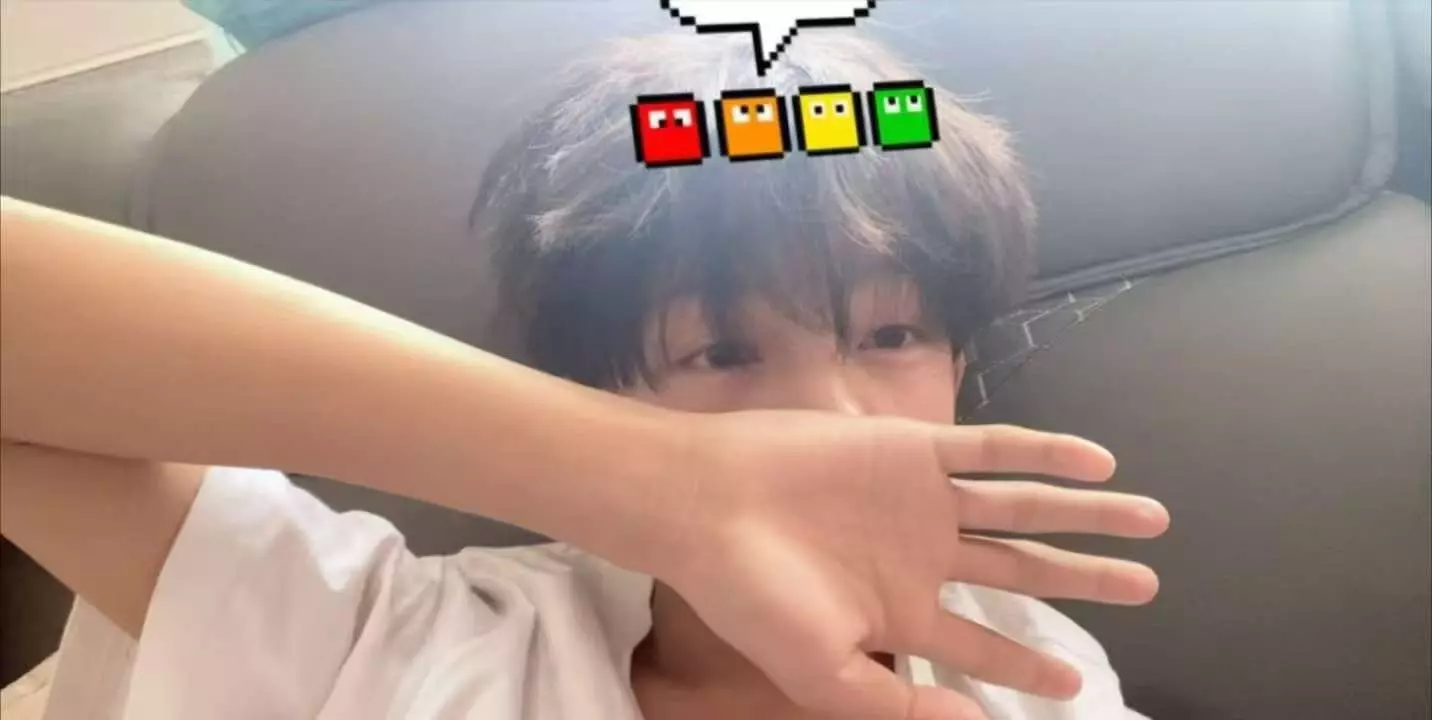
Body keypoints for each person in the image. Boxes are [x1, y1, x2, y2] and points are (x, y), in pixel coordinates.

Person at [0, 32, 1170, 720]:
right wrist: (668, 485)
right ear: (597, 388)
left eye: (891, 336)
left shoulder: (1027, 673)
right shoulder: (387, 639)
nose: (829, 416)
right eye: (721, 350)